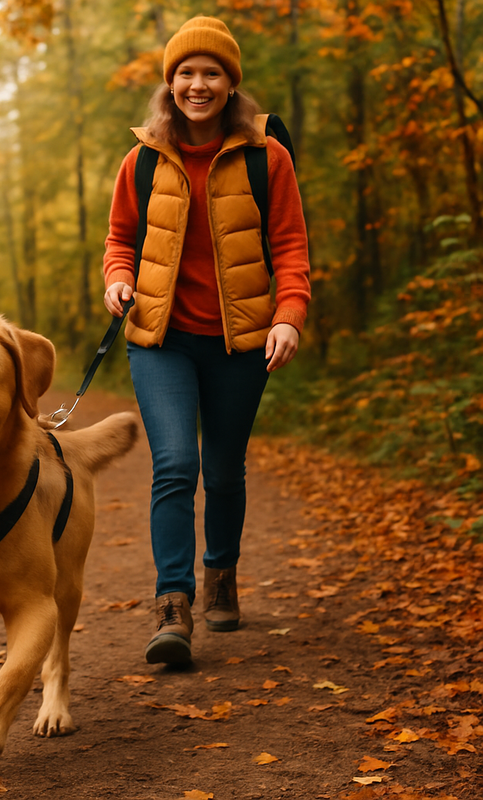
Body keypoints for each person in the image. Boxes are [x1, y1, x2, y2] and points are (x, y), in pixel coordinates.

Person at [102, 16, 311, 666]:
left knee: (222, 470)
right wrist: (118, 280)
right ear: (171, 83)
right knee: (175, 466)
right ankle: (173, 604)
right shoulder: (140, 160)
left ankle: (221, 575)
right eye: (186, 72)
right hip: (160, 340)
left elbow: (291, 245)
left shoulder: (265, 156)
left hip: (241, 342)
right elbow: (118, 241)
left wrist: (289, 315)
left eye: (211, 72)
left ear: (229, 83)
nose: (198, 84)